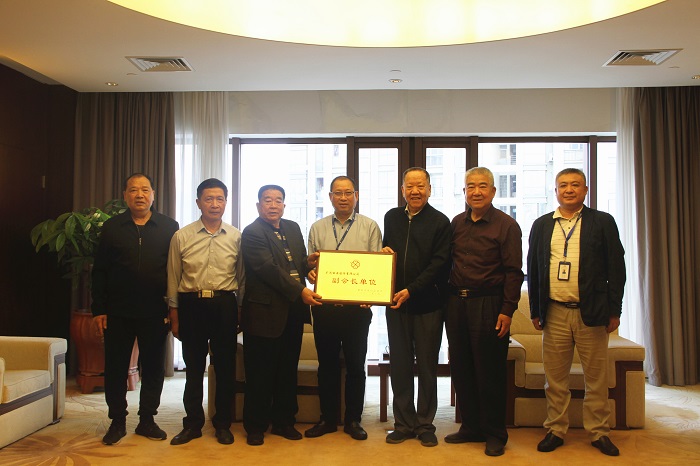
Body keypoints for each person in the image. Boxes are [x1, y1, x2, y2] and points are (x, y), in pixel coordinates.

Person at [527, 168, 625, 457]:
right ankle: (556, 429)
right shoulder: (542, 225)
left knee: (596, 378)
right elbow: (533, 269)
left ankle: (599, 432)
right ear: (555, 190)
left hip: (591, 313)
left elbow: (616, 269)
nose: (568, 190)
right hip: (554, 311)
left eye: (575, 185)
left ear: (585, 190)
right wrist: (535, 310)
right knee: (555, 379)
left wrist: (615, 310)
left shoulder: (603, 222)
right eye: (563, 185)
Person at [92, 173, 179, 446]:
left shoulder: (169, 227)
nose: (139, 195)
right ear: (125, 195)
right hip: (118, 311)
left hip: (155, 310)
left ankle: (147, 420)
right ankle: (117, 420)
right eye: (133, 190)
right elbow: (100, 270)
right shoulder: (112, 227)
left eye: (144, 190)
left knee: (153, 367)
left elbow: (175, 270)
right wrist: (99, 309)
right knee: (115, 367)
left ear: (153, 195)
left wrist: (173, 307)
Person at [444, 167, 524, 457]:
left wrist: (507, 310)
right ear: (464, 191)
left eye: (482, 186)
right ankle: (471, 427)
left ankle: (494, 433)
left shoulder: (506, 226)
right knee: (461, 367)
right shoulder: (457, 223)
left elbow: (514, 272)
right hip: (456, 303)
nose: (476, 192)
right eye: (470, 186)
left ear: (492, 191)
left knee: (489, 371)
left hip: (489, 303)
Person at [241, 184, 322, 446]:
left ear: (284, 205)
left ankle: (284, 421)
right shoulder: (252, 232)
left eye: (278, 200)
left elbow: (295, 263)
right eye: (268, 200)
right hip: (263, 313)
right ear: (258, 205)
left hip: (292, 313)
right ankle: (256, 426)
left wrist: (308, 265)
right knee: (260, 373)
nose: (273, 205)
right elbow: (269, 269)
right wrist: (301, 290)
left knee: (287, 371)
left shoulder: (293, 228)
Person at [166, 178, 245, 446]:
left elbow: (242, 278)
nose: (214, 204)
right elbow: (173, 277)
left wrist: (240, 311)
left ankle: (223, 424)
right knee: (194, 368)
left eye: (219, 199)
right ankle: (192, 424)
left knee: (224, 368)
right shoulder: (182, 236)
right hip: (192, 305)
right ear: (198, 202)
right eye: (208, 199)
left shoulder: (236, 237)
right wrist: (174, 315)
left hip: (225, 305)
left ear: (226, 202)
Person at [304, 176, 382, 441]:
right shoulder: (317, 227)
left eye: (348, 193)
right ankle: (327, 419)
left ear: (356, 196)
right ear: (330, 197)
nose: (344, 198)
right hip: (325, 307)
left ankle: (353, 420)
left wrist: (373, 292)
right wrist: (311, 273)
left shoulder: (370, 226)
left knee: (356, 366)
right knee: (326, 365)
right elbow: (311, 266)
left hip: (357, 310)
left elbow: (376, 266)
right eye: (338, 193)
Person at [381, 167, 451, 448]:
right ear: (402, 190)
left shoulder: (440, 222)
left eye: (420, 186)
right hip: (395, 304)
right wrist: (383, 254)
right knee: (399, 366)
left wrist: (411, 290)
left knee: (426, 367)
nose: (415, 191)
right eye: (409, 186)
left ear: (430, 189)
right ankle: (403, 424)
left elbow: (439, 265)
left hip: (428, 305)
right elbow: (387, 253)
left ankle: (424, 424)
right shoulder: (391, 217)